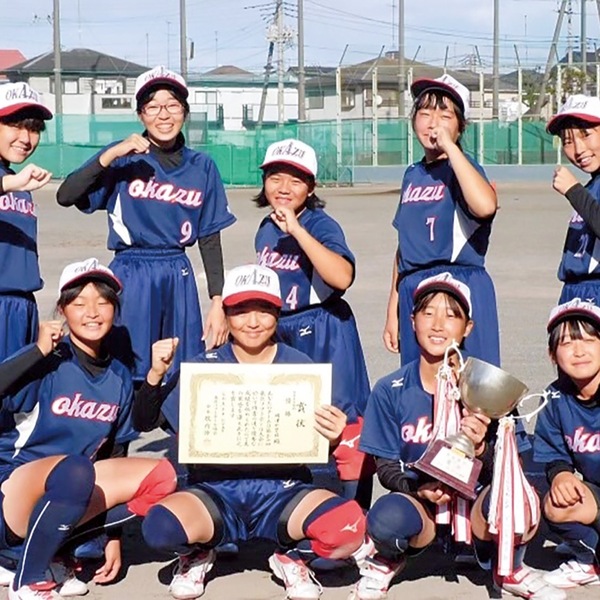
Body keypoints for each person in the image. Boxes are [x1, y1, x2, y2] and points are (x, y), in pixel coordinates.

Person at [133, 264, 373, 600]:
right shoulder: (204, 367)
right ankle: (199, 553)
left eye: (264, 310)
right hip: (215, 489)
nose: (253, 322)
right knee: (159, 529)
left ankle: (292, 555)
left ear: (278, 313)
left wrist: (333, 437)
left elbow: (324, 443)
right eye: (241, 311)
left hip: (285, 490)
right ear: (226, 314)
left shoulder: (302, 368)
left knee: (348, 529)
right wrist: (155, 375)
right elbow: (145, 422)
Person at [351, 273, 564, 600]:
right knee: (385, 519)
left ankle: (509, 568)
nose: (438, 324)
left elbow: (509, 469)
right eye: (428, 313)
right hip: (422, 505)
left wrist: (480, 449)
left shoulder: (489, 386)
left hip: (476, 509)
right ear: (412, 321)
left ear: (468, 327)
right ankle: (387, 560)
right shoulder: (390, 389)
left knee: (521, 499)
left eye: (451, 315)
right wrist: (418, 489)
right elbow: (386, 466)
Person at [0, 258, 177, 600]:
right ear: (62, 310)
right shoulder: (45, 362)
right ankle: (28, 577)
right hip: (11, 493)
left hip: (68, 493)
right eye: (79, 303)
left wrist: (112, 537)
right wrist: (36, 351)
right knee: (77, 470)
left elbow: (115, 453)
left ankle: (51, 555)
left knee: (165, 476)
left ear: (115, 309)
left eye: (103, 302)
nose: (92, 312)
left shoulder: (119, 376)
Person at [56, 66, 236, 384]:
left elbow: (209, 236)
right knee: (128, 365)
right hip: (131, 271)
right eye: (152, 107)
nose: (163, 115)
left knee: (181, 367)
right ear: (141, 115)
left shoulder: (202, 166)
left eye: (172, 105)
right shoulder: (125, 158)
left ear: (185, 111)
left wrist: (218, 301)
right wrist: (112, 153)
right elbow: (66, 195)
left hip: (177, 272)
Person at [253, 138, 373, 508]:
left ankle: (355, 514)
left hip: (324, 327)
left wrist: (298, 231)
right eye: (275, 178)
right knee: (291, 423)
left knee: (341, 424)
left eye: (296, 180)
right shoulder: (266, 226)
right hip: (282, 330)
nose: (284, 187)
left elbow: (342, 277)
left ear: (311, 187)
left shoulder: (320, 224)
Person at [382, 74, 500, 367]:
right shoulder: (412, 174)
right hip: (414, 287)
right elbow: (403, 248)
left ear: (460, 127)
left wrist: (451, 148)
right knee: (419, 381)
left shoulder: (464, 168)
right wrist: (393, 309)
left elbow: (485, 206)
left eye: (445, 116)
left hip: (458, 283)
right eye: (424, 113)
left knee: (469, 381)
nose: (433, 123)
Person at [533, 298, 600, 589]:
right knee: (556, 504)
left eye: (589, 340)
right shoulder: (555, 398)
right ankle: (589, 559)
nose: (579, 351)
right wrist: (560, 474)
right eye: (567, 343)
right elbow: (552, 452)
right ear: (552, 354)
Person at [0, 82, 53, 362]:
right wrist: (10, 184)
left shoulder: (18, 183)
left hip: (22, 307)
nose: (26, 137)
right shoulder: (13, 182)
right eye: (15, 125)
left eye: (33, 129)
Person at [546, 94, 600, 305]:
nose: (578, 149)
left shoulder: (580, 190)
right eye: (567, 141)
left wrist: (573, 191)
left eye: (586, 135)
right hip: (575, 291)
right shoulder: (592, 185)